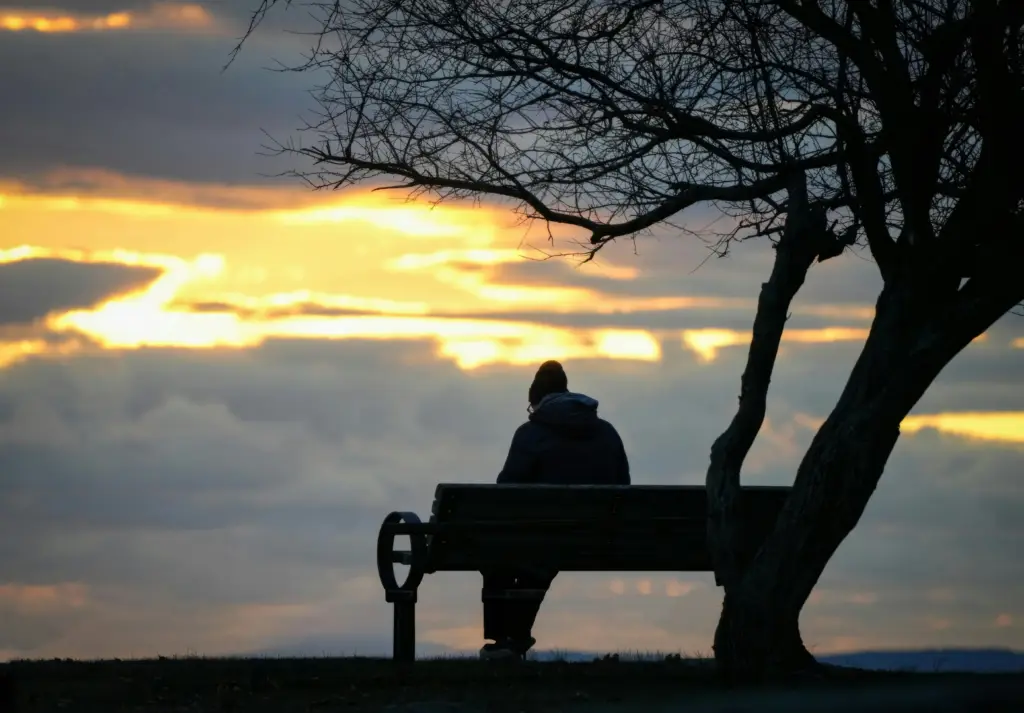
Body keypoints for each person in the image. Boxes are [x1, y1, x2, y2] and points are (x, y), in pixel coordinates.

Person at [480, 360, 630, 660]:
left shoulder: (530, 434)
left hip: (542, 537)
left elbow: (504, 492)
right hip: (600, 539)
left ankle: (505, 640)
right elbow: (624, 487)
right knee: (537, 561)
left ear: (536, 402)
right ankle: (513, 640)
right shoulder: (607, 433)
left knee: (500, 553)